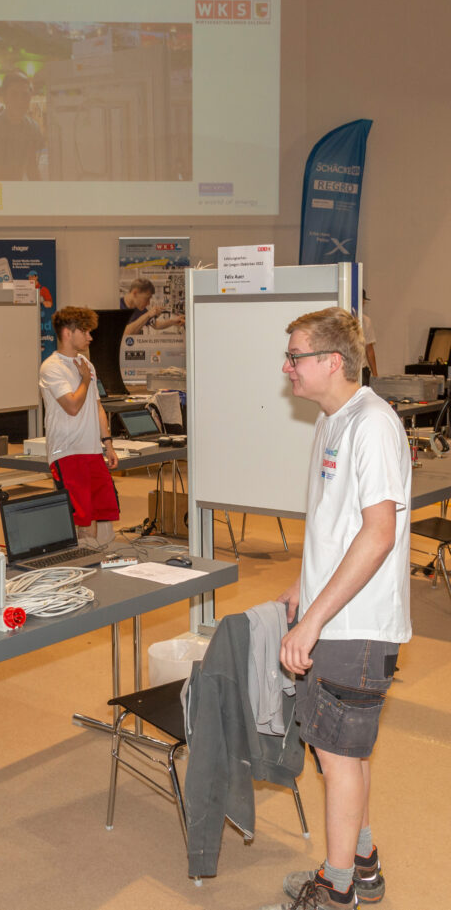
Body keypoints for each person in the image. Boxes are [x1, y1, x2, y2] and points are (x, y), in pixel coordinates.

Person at [261, 307, 411, 910]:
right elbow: (336, 522)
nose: (287, 367)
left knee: (338, 757)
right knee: (343, 751)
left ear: (331, 362)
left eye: (295, 356)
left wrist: (315, 619)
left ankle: (339, 887)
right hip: (336, 615)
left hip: (356, 626)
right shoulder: (334, 419)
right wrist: (304, 584)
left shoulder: (372, 423)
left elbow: (378, 533)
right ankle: (365, 863)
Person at [38, 306, 120, 547]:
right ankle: (83, 568)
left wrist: (107, 444)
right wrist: (84, 379)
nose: (90, 337)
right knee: (81, 521)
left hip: (92, 452)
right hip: (67, 452)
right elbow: (72, 406)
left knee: (103, 518)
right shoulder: (51, 367)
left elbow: (97, 407)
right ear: (67, 332)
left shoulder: (87, 364)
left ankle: (102, 564)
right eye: (85, 331)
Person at [0, 70, 44, 181]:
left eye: (25, 95)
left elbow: (31, 167)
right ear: (4, 98)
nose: (20, 100)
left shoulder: (32, 128)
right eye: (14, 94)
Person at [119, 277, 185, 336]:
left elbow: (155, 325)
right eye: (147, 299)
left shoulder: (140, 309)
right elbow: (125, 333)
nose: (148, 303)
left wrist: (174, 321)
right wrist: (148, 315)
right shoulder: (117, 305)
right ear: (135, 293)